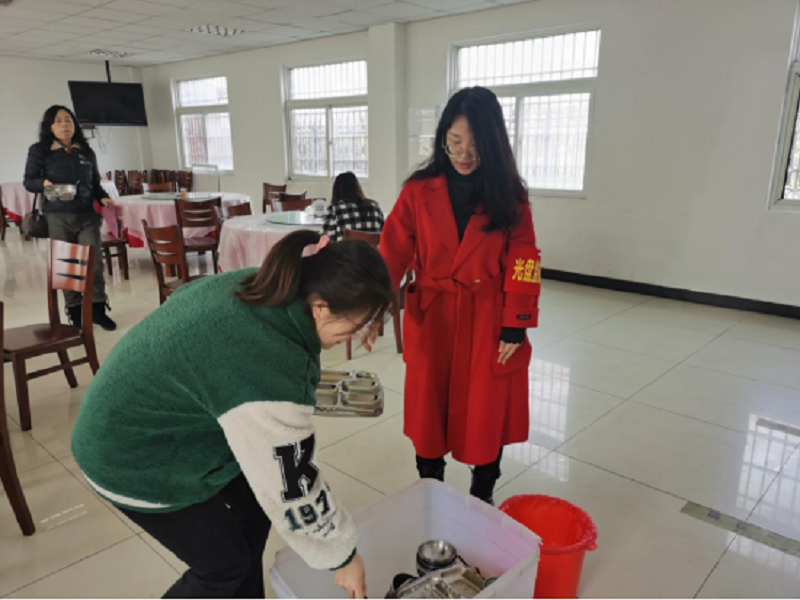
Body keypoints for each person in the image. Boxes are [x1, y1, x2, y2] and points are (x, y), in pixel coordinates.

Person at [71, 230, 392, 599]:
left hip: (148, 416)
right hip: (129, 454)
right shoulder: (269, 365)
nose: (356, 335)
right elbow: (292, 486)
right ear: (320, 307)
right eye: (357, 324)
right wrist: (343, 556)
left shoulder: (270, 284)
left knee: (253, 509)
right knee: (223, 567)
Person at [375, 87, 541, 505]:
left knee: (486, 411)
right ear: (442, 138)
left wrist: (516, 323)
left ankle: (482, 496)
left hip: (488, 316)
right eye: (455, 142)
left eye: (476, 145)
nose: (465, 154)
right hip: (432, 314)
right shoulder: (418, 191)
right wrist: (372, 303)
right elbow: (392, 250)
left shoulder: (510, 195)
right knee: (429, 410)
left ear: (494, 144)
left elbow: (525, 258)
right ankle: (430, 492)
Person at [23, 105, 116, 331]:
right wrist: (42, 183)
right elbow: (29, 181)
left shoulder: (86, 151)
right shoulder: (40, 150)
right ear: (49, 126)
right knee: (67, 265)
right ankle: (75, 312)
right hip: (57, 215)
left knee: (94, 264)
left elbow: (94, 183)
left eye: (68, 120)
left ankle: (97, 310)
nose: (64, 125)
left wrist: (103, 197)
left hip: (86, 215)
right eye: (58, 121)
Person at [322, 171, 385, 242]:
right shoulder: (375, 206)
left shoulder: (335, 209)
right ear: (357, 187)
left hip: (345, 249)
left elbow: (325, 239)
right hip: (371, 249)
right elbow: (383, 233)